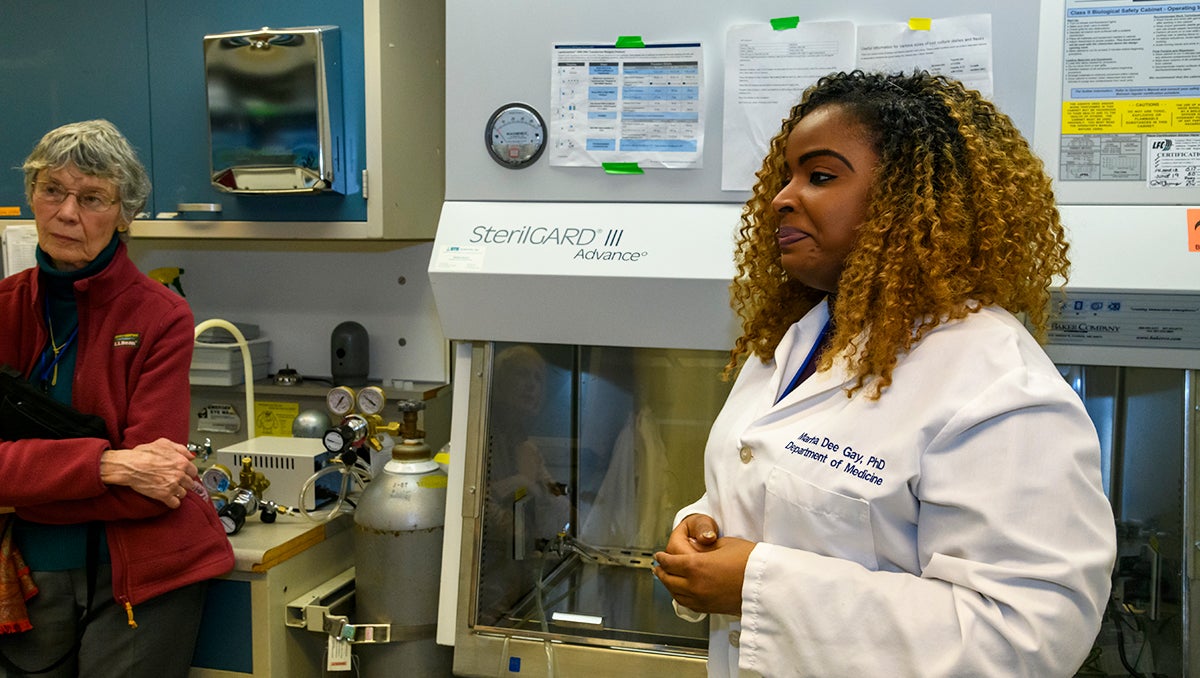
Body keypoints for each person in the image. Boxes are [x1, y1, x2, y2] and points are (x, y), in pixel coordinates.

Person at [652, 71, 1116, 677]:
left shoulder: (995, 383)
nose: (781, 198)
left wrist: (759, 587)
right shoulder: (797, 341)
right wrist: (702, 527)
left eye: (819, 176)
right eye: (786, 175)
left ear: (906, 200)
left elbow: (1023, 638)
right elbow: (772, 482)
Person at [0, 120, 234, 677]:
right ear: (31, 195)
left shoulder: (160, 316)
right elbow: (134, 472)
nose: (66, 212)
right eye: (51, 189)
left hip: (144, 580)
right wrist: (109, 463)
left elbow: (153, 489)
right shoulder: (5, 308)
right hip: (28, 581)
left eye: (92, 197)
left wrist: (22, 482)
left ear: (125, 214)